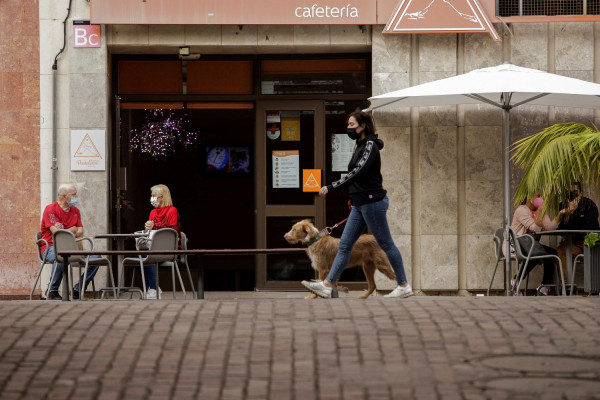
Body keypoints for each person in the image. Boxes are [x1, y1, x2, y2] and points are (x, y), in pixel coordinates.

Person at [301, 110, 412, 298]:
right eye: (348, 125)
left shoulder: (370, 145)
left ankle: (403, 285)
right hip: (360, 205)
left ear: (363, 126)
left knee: (385, 243)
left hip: (372, 203)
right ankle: (327, 285)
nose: (348, 128)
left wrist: (332, 186)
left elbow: (357, 173)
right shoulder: (360, 146)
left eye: (352, 125)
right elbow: (358, 177)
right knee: (344, 246)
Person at [40, 183, 99, 300]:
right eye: (74, 194)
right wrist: (72, 229)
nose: (76, 196)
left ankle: (78, 289)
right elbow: (57, 233)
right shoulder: (50, 209)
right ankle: (52, 290)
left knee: (96, 258)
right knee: (61, 255)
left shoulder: (75, 211)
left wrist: (67, 230)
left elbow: (81, 232)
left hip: (73, 248)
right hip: (50, 248)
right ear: (63, 196)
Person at [509, 196, 566, 295]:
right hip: (517, 245)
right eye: (537, 196)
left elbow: (550, 227)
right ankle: (515, 280)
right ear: (528, 197)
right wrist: (540, 211)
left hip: (531, 245)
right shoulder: (521, 210)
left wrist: (559, 215)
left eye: (540, 196)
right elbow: (535, 228)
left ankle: (544, 286)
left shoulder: (540, 211)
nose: (540, 198)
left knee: (552, 254)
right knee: (535, 255)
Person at [138, 184, 181, 300]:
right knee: (134, 256)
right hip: (152, 247)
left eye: (154, 196)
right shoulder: (153, 212)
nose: (152, 198)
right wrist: (147, 228)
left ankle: (153, 289)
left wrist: (154, 226)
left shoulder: (172, 210)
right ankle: (154, 286)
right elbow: (151, 231)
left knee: (146, 255)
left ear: (162, 197)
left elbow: (173, 230)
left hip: (168, 249)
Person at [557, 182, 600, 278]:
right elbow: (561, 228)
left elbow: (587, 226)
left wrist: (575, 213)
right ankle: (565, 286)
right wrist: (570, 212)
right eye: (570, 192)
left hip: (589, 242)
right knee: (561, 251)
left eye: (575, 192)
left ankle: (594, 286)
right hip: (572, 243)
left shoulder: (589, 204)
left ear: (581, 193)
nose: (573, 194)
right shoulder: (563, 206)